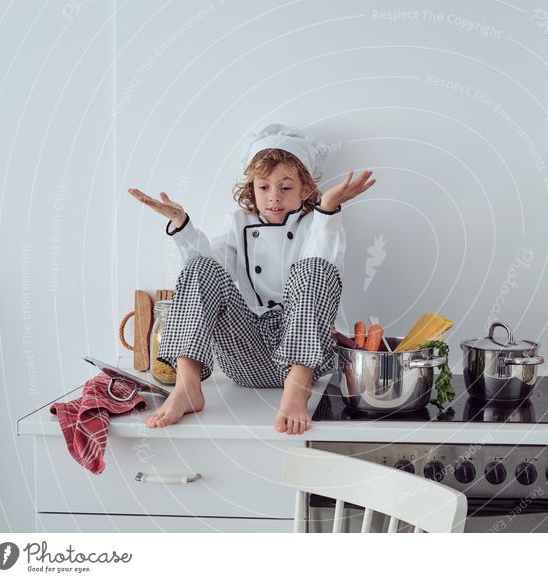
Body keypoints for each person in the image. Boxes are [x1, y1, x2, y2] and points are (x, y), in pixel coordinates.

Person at [127, 123, 375, 435]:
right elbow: (203, 271)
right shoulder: (237, 223)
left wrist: (327, 211)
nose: (274, 197)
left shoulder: (318, 223)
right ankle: (187, 386)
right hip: (247, 356)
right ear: (251, 188)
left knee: (313, 269)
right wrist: (181, 224)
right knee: (200, 267)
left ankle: (296, 392)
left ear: (305, 189)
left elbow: (323, 265)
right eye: (264, 187)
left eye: (285, 187)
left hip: (308, 363)